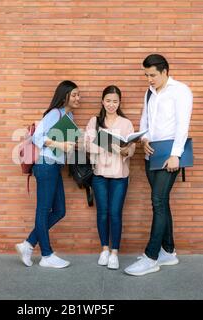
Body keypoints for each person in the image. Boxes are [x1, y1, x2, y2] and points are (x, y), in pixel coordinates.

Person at [124, 54, 193, 276]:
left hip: (169, 156)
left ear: (165, 72)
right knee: (161, 202)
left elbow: (183, 125)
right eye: (146, 75)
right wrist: (143, 139)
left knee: (158, 202)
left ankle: (151, 256)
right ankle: (169, 252)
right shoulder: (149, 93)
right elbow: (145, 119)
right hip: (150, 154)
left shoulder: (180, 91)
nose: (149, 79)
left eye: (152, 75)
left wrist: (176, 156)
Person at [15, 80, 80, 268]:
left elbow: (62, 143)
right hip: (45, 165)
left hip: (54, 166)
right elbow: (38, 137)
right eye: (74, 95)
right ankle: (46, 255)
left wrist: (73, 145)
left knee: (60, 210)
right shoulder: (55, 113)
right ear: (65, 95)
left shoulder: (70, 117)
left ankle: (28, 244)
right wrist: (61, 144)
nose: (78, 98)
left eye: (79, 95)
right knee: (43, 210)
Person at [84, 85, 136, 270]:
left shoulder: (126, 123)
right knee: (102, 213)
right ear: (102, 101)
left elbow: (131, 148)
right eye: (108, 101)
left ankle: (115, 252)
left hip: (120, 175)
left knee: (115, 214)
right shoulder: (94, 121)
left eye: (115, 101)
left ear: (119, 102)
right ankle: (104, 249)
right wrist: (107, 145)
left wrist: (125, 151)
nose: (111, 105)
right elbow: (87, 146)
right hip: (99, 175)